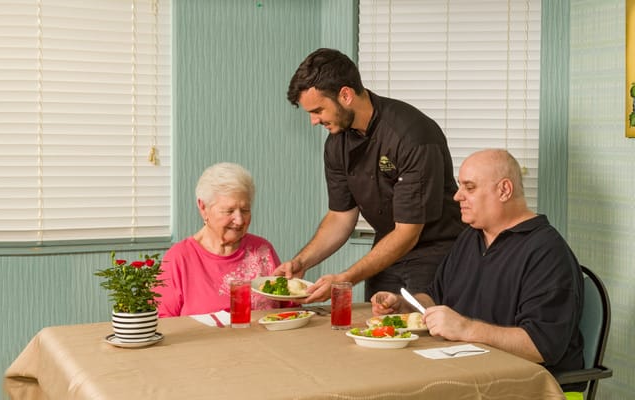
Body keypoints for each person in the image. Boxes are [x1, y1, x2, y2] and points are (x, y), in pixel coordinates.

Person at [370, 149, 586, 392]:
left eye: (469, 188)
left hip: (529, 387)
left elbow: (541, 347)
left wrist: (466, 329)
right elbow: (435, 297)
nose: (457, 196)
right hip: (469, 374)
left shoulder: (547, 253)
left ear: (504, 190)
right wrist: (405, 305)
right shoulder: (470, 238)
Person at [278, 47, 464, 303]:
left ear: (345, 95)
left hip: (434, 254)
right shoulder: (336, 143)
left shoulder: (411, 136)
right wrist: (302, 261)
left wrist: (346, 278)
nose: (313, 121)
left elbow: (408, 232)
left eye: (318, 110)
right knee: (373, 329)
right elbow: (340, 217)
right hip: (386, 252)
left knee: (422, 333)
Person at [156, 162, 284, 317]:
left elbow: (289, 310)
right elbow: (163, 323)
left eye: (245, 210)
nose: (239, 220)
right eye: (229, 211)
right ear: (203, 207)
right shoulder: (179, 258)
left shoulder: (263, 250)